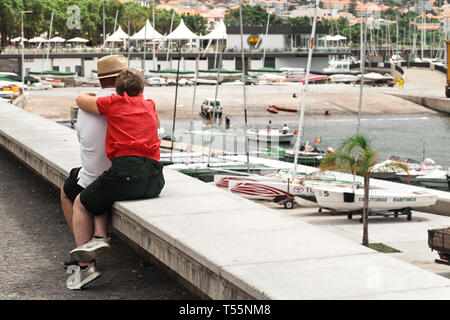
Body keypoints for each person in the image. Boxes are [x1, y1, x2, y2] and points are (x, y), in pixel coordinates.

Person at [66, 68, 165, 290]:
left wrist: (92, 96)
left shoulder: (114, 103)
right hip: (155, 178)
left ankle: (84, 268)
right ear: (141, 88)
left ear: (119, 90)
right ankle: (99, 236)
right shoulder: (150, 104)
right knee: (101, 192)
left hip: (126, 172)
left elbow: (81, 100)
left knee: (82, 202)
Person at [60, 54, 127, 271]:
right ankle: (88, 248)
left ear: (100, 80)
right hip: (125, 173)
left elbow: (82, 139)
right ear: (123, 78)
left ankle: (84, 254)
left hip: (97, 176)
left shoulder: (87, 105)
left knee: (68, 190)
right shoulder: (130, 103)